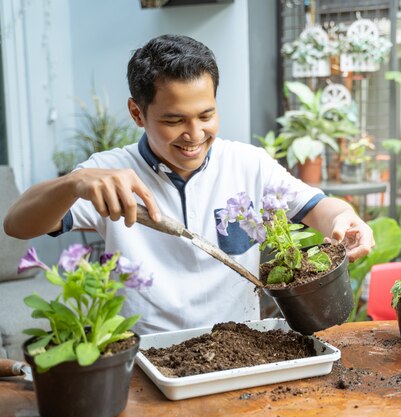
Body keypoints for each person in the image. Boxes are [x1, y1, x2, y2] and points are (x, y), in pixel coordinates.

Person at [3, 34, 375, 334]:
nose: (194, 135)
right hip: (147, 352)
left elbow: (320, 209)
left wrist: (346, 219)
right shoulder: (109, 173)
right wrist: (74, 183)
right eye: (174, 120)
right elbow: (17, 223)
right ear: (137, 113)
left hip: (241, 344)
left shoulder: (247, 163)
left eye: (206, 115)